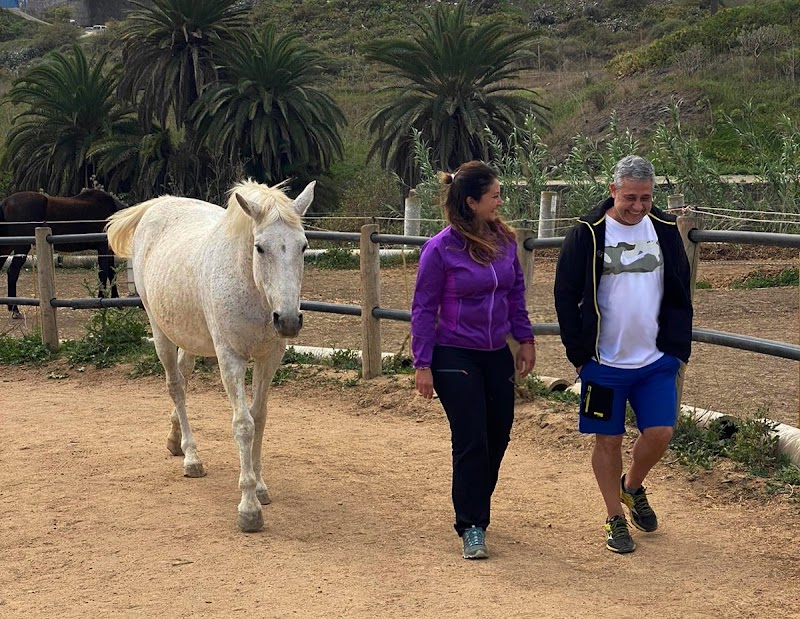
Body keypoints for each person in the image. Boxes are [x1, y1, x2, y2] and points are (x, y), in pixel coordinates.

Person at [553, 154, 692, 554]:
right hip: (603, 364)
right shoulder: (587, 233)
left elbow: (680, 288)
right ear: (613, 190)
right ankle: (614, 516)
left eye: (645, 197)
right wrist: (579, 356)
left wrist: (677, 348)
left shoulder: (665, 228)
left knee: (661, 433)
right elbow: (565, 295)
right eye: (630, 197)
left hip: (655, 361)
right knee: (608, 440)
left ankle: (631, 486)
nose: (638, 206)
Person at [411, 160, 536, 560]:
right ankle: (472, 525)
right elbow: (423, 308)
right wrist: (422, 363)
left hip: (495, 352)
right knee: (472, 439)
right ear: (471, 201)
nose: (500, 201)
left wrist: (525, 339)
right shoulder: (440, 249)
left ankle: (476, 503)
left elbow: (515, 294)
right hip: (453, 353)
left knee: (498, 435)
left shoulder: (504, 241)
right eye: (494, 196)